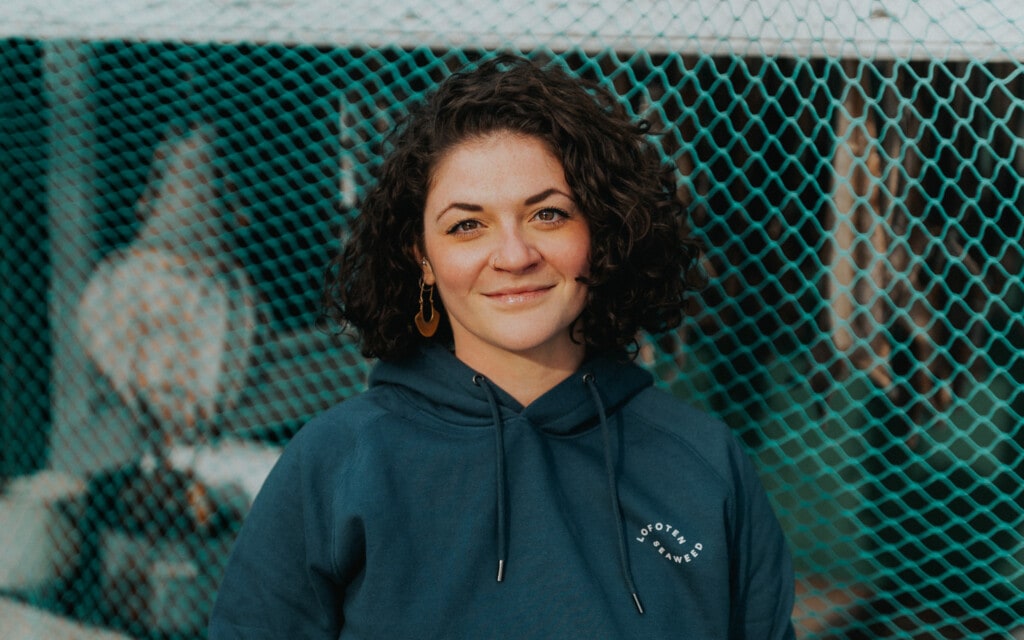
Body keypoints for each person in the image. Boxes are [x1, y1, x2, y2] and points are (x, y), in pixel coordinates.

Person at [209, 54, 795, 638]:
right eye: (468, 224)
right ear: (423, 258)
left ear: (601, 231)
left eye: (548, 214)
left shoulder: (704, 463)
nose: (514, 256)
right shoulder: (337, 462)